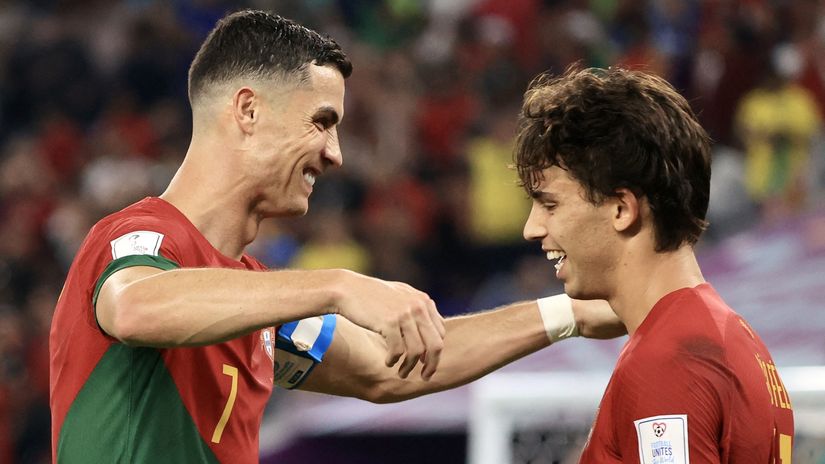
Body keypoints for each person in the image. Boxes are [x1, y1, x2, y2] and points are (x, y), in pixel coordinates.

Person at [49, 10, 623, 464]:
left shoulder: (255, 304)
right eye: (321, 122)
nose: (335, 153)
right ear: (247, 110)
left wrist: (567, 314)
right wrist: (338, 286)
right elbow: (136, 308)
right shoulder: (136, 235)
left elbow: (386, 367)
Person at [514, 66, 794, 463]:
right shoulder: (733, 337)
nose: (531, 229)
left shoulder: (668, 361)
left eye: (550, 204)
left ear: (621, 208)